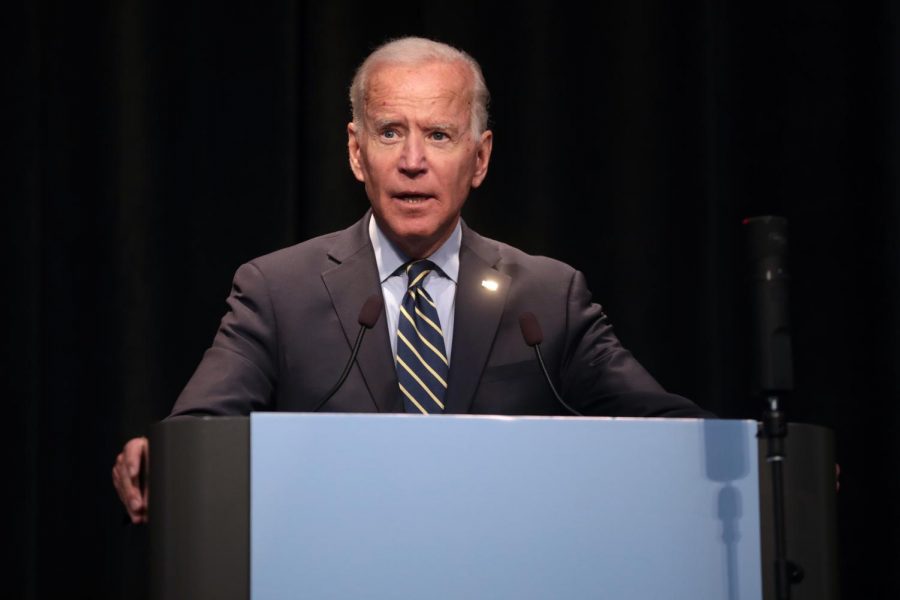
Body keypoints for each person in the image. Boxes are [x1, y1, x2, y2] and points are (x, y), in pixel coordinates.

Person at [112, 36, 710, 524]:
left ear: (479, 158)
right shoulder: (277, 290)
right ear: (356, 152)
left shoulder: (547, 299)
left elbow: (673, 435)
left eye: (440, 135)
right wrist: (163, 459)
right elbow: (199, 433)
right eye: (390, 131)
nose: (412, 161)